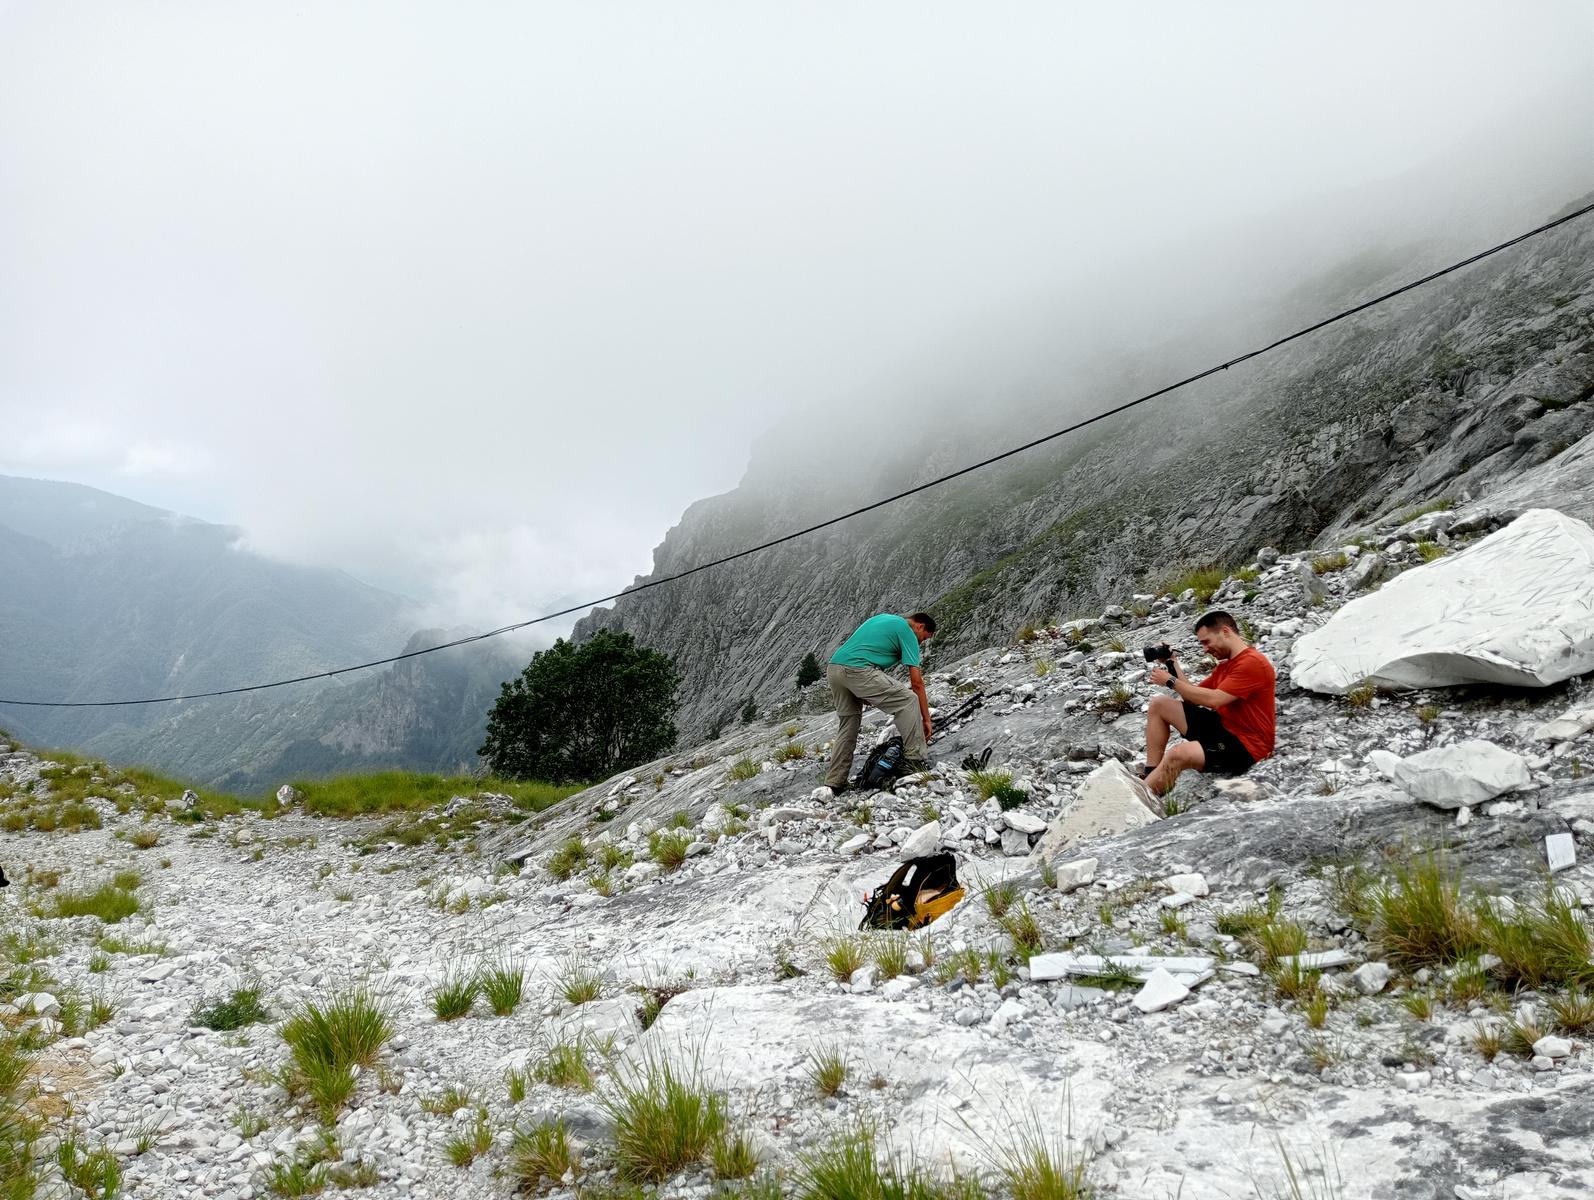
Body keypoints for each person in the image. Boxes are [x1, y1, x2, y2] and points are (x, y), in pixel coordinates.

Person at [1141, 609, 1275, 798]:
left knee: (1179, 754)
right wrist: (1172, 664)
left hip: (1247, 746)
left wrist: (1170, 681)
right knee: (1159, 704)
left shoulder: (1252, 663)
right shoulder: (1226, 666)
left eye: (1206, 641)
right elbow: (1192, 697)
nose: (1205, 649)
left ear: (1225, 632)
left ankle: (1141, 797)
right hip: (1224, 727)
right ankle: (1150, 774)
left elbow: (1214, 699)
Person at [822, 611, 937, 792]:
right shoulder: (907, 631)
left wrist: (863, 691)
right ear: (920, 626)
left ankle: (834, 783)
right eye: (924, 638)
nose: (921, 643)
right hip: (857, 669)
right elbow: (916, 683)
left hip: (834, 669)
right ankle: (915, 762)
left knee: (848, 725)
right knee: (908, 700)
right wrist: (926, 719)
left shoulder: (883, 618)